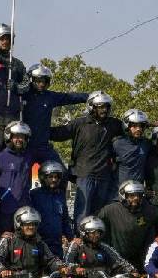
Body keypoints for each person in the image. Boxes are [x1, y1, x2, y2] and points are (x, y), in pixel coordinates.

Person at [50, 91, 123, 226]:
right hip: (84, 175)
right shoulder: (79, 123)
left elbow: (133, 128)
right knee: (82, 213)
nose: (104, 110)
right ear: (92, 107)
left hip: (104, 176)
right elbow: (59, 134)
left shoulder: (114, 124)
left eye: (106, 107)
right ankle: (78, 241)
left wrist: (151, 125)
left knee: (100, 214)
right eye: (100, 107)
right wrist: (39, 130)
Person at [20, 63, 88, 167]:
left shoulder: (50, 96)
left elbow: (69, 97)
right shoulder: (21, 95)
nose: (41, 84)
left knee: (61, 172)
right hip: (25, 147)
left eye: (44, 81)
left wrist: (89, 96)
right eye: (38, 81)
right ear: (31, 80)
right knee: (22, 177)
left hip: (44, 146)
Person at [98, 180, 158, 273]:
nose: (136, 198)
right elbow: (94, 223)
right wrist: (80, 238)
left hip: (140, 258)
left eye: (139, 195)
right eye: (131, 195)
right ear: (123, 195)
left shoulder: (148, 210)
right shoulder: (110, 210)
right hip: (117, 259)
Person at [0, 121, 34, 234]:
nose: (19, 140)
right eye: (16, 137)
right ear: (9, 137)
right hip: (5, 207)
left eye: (22, 137)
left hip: (24, 207)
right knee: (5, 241)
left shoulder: (29, 156)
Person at [29, 161, 74, 258]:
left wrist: (72, 239)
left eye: (57, 177)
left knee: (58, 271)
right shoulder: (34, 195)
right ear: (43, 177)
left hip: (56, 245)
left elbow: (65, 220)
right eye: (50, 177)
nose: (54, 179)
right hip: (37, 244)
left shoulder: (60, 196)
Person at [113, 109, 153, 186]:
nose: (138, 129)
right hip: (119, 189)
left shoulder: (146, 143)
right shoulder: (117, 143)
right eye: (134, 126)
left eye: (141, 126)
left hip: (138, 191)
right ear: (127, 126)